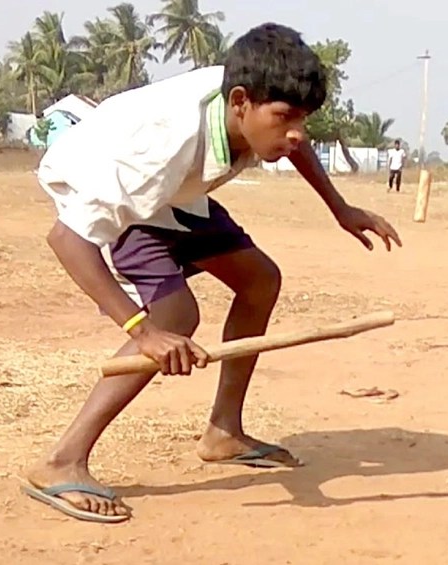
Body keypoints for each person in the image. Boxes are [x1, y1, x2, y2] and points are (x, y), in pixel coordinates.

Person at [22, 22, 402, 523]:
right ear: (240, 102)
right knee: (175, 317)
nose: (296, 132)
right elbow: (67, 239)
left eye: (303, 119)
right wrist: (143, 332)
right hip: (117, 191)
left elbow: (294, 137)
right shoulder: (155, 150)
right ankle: (60, 460)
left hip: (178, 194)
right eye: (286, 117)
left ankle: (224, 432)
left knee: (260, 279)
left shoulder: (257, 110)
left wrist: (340, 207)